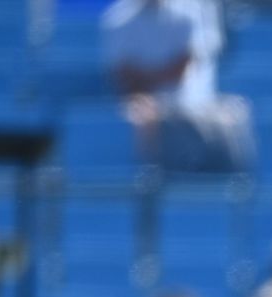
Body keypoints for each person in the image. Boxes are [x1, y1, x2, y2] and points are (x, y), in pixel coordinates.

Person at [101, 0, 253, 172]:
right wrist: (149, 96)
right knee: (142, 118)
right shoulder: (117, 19)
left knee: (235, 115)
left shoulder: (191, 12)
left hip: (192, 104)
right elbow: (124, 75)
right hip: (141, 106)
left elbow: (183, 65)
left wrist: (148, 80)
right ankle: (155, 181)